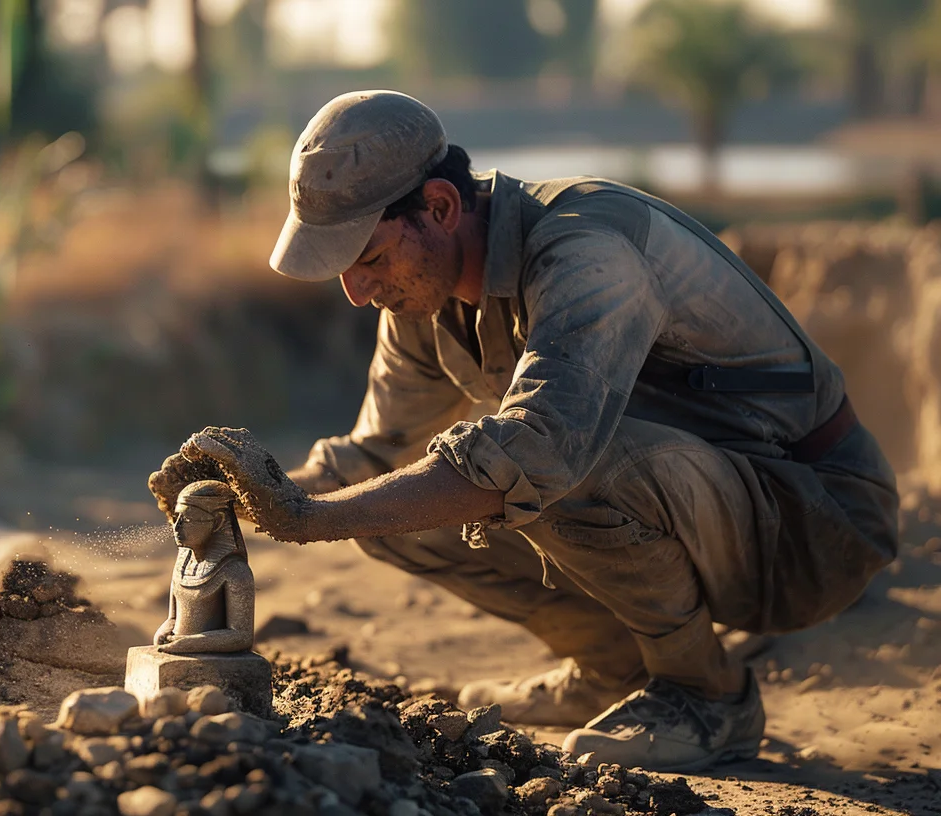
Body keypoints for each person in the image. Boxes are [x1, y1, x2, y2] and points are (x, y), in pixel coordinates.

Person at [148, 90, 898, 771]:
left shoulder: (585, 252)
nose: (356, 291)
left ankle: (706, 698)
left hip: (812, 522)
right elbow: (374, 457)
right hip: (704, 502)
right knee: (387, 510)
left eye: (366, 258)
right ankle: (614, 669)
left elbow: (541, 448)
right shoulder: (423, 297)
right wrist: (249, 492)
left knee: (549, 463)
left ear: (439, 207)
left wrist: (311, 520)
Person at [152, 480, 256, 655]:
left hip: (217, 663)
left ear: (217, 522)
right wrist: (163, 632)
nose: (177, 527)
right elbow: (173, 618)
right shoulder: (182, 564)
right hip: (178, 647)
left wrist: (191, 644)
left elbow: (241, 636)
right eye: (177, 518)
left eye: (188, 519)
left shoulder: (235, 572)